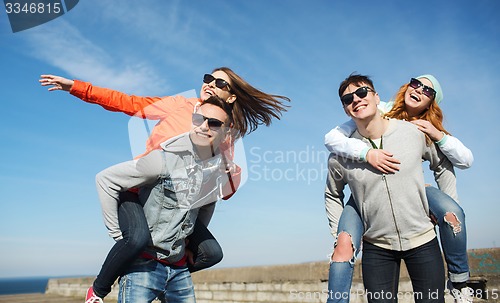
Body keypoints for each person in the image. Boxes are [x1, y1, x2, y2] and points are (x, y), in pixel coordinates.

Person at [39, 68, 290, 302]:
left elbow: (219, 191)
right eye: (207, 79)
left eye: (220, 83)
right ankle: (100, 288)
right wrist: (76, 87)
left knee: (212, 252)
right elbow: (129, 102)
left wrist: (232, 173)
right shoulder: (180, 106)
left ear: (232, 97)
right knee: (136, 239)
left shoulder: (224, 133)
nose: (210, 85)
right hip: (140, 192)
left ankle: (167, 271)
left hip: (180, 204)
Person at [324, 74, 474, 303]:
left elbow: (445, 163)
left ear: (376, 97)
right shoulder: (342, 154)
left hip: (422, 241)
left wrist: (445, 204)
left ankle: (460, 281)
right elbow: (332, 194)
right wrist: (339, 234)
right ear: (345, 109)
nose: (356, 99)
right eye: (348, 99)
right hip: (377, 247)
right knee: (343, 248)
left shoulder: (414, 132)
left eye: (362, 92)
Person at [94, 96, 233, 302]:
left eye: (213, 123)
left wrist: (190, 243)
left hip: (179, 271)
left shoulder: (215, 172)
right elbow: (106, 180)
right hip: (143, 267)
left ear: (226, 132)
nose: (203, 127)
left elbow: (207, 205)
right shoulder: (163, 159)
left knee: (214, 253)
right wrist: (119, 237)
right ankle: (97, 291)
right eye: (198, 119)